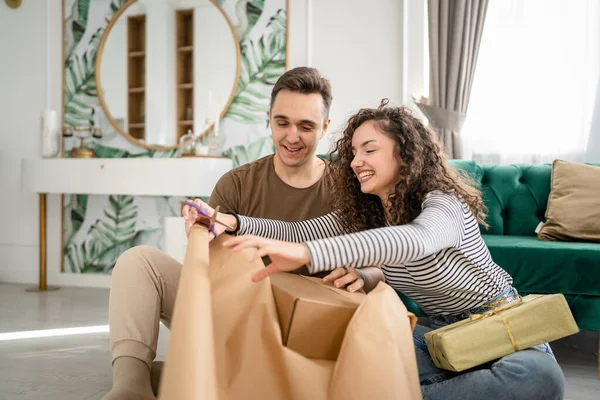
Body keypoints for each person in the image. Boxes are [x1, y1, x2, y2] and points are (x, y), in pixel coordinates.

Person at [189, 99, 566, 400]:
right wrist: (232, 221)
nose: (355, 162)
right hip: (439, 335)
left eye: (369, 150)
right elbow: (300, 230)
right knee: (355, 356)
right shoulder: (368, 214)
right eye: (352, 152)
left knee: (541, 378)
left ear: (404, 154)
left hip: (498, 325)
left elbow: (415, 239)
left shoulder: (443, 203)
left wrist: (307, 255)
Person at [104, 67, 384, 400]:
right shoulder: (236, 184)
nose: (292, 137)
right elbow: (210, 271)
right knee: (138, 261)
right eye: (282, 122)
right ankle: (131, 386)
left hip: (311, 327)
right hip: (236, 313)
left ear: (324, 127)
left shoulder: (352, 185)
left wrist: (365, 274)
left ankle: (211, 375)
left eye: (306, 126)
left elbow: (384, 258)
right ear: (268, 119)